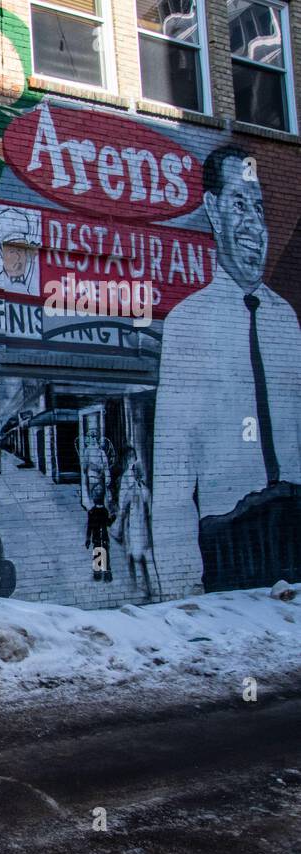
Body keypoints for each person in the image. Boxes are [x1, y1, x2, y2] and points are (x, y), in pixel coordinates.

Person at [151, 143, 301, 595]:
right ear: (213, 210)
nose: (254, 222)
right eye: (239, 204)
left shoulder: (287, 320)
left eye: (259, 207)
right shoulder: (188, 322)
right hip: (231, 539)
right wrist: (179, 590)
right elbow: (174, 471)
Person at [115, 451, 156, 598]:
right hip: (140, 527)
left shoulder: (135, 492)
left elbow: (123, 510)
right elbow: (149, 513)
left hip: (134, 527)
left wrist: (119, 527)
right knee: (141, 558)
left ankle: (138, 586)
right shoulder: (146, 492)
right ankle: (145, 587)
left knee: (133, 556)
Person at [0, 206, 41, 295]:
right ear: (1, 253)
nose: (18, 257)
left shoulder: (34, 279)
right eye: (12, 251)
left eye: (20, 250)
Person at [85, 485, 113, 583]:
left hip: (96, 537)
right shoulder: (105, 511)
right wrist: (113, 518)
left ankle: (97, 573)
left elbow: (89, 527)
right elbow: (108, 523)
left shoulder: (91, 512)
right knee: (105, 553)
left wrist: (88, 538)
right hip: (104, 537)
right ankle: (106, 573)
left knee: (97, 553)